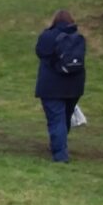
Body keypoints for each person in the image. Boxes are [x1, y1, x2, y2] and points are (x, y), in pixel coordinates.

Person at [34, 9, 86, 163]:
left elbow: (40, 51)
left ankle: (60, 154)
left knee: (57, 120)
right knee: (64, 118)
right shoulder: (78, 38)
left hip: (51, 86)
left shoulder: (47, 36)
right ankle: (58, 145)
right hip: (75, 86)